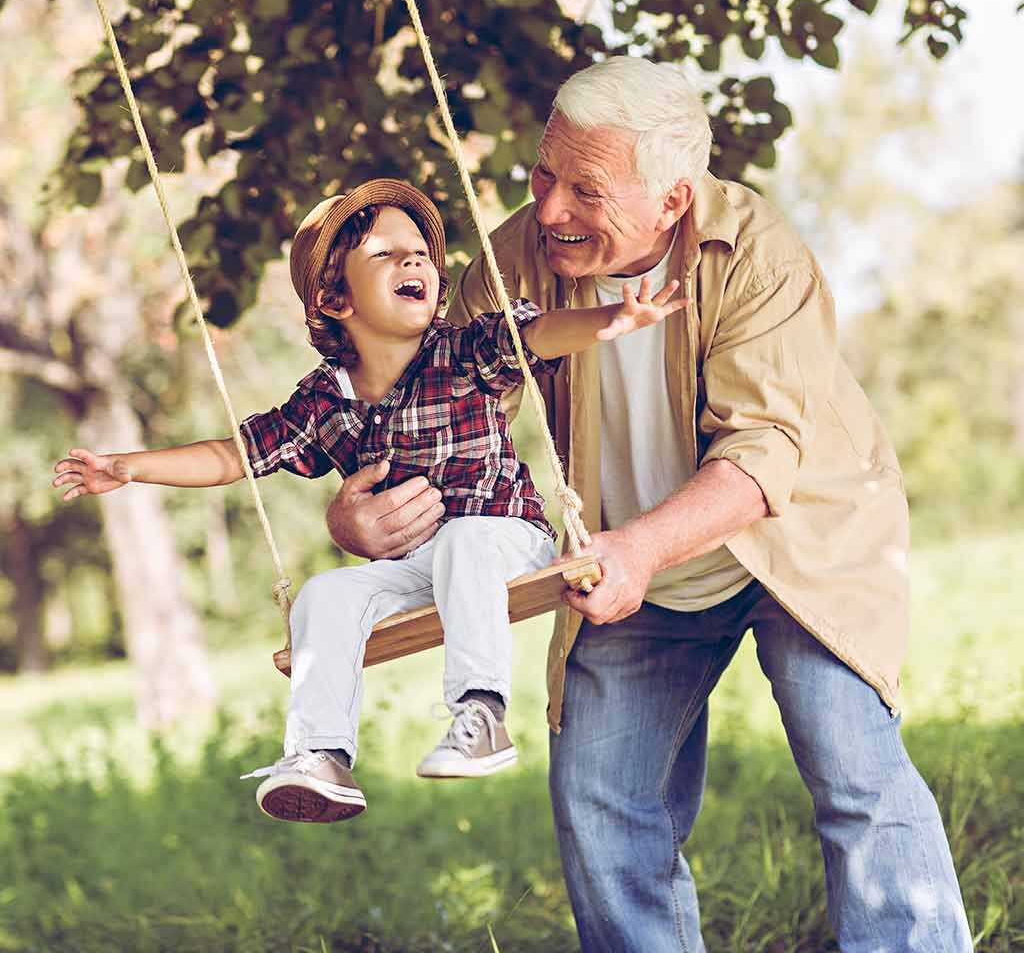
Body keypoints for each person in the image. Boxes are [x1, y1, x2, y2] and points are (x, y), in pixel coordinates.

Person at [325, 63, 973, 949]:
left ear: (672, 201)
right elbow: (425, 411)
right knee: (599, 798)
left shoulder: (756, 252)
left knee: (853, 766)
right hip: (627, 561)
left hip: (795, 540)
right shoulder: (515, 261)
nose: (550, 211)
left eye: (585, 190)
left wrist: (639, 549)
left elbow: (760, 456)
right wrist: (359, 516)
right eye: (543, 176)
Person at [51, 178, 686, 827]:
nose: (414, 262)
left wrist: (612, 320)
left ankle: (479, 715)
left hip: (503, 541)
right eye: (385, 255)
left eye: (420, 254)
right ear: (335, 298)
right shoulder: (324, 398)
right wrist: (128, 467)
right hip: (421, 566)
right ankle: (319, 755)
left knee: (466, 539)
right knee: (325, 595)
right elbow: (234, 455)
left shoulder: (464, 350)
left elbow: (545, 334)